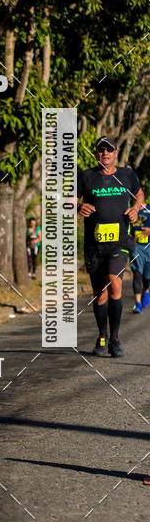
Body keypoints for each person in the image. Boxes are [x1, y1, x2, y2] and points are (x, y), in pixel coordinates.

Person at [77, 136, 144, 357]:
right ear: (96, 153)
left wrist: (136, 208)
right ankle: (102, 335)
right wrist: (78, 206)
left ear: (115, 153)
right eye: (101, 149)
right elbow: (68, 201)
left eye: (109, 149)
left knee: (115, 284)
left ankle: (115, 339)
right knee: (99, 293)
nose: (105, 153)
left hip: (119, 243)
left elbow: (139, 195)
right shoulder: (86, 176)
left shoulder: (127, 175)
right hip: (94, 245)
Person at [130, 203, 150, 313]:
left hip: (148, 248)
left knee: (147, 277)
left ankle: (145, 290)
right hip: (136, 248)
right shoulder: (130, 210)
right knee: (137, 274)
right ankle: (138, 304)